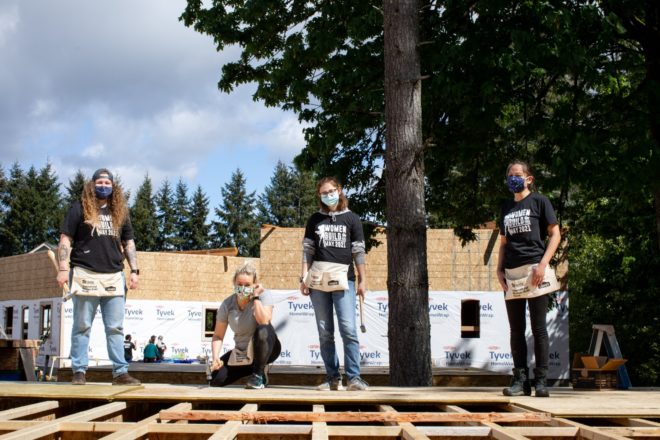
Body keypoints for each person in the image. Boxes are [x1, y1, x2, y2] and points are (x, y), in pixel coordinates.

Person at [56, 168, 140, 386]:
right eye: (99, 181)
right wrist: (63, 268)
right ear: (92, 185)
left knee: (115, 327)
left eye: (107, 182)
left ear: (113, 186)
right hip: (85, 272)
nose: (104, 185)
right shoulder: (79, 207)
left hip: (113, 275)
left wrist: (135, 271)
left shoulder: (119, 211)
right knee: (82, 325)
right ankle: (79, 371)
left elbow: (128, 242)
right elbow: (66, 239)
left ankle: (120, 372)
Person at [497, 160, 561, 398]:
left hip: (535, 269)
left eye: (517, 175)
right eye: (509, 175)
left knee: (539, 327)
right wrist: (499, 270)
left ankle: (541, 381)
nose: (513, 179)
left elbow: (555, 234)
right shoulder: (505, 207)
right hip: (512, 273)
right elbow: (503, 243)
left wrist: (543, 264)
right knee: (516, 329)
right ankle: (520, 380)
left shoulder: (540, 201)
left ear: (529, 179)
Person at [300, 177, 369, 391]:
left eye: (331, 191)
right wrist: (303, 277)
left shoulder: (352, 219)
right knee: (325, 331)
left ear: (339, 191)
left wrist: (362, 279)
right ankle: (332, 378)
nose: (328, 195)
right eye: (323, 193)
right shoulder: (314, 220)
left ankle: (354, 378)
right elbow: (308, 250)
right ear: (319, 196)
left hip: (344, 279)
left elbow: (358, 250)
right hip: (318, 280)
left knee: (348, 328)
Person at [210, 262, 281, 389]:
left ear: (254, 285)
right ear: (234, 284)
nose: (243, 288)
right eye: (239, 284)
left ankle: (258, 375)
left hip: (267, 349)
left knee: (263, 329)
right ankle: (256, 370)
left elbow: (264, 321)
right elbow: (218, 336)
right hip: (242, 353)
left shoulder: (264, 295)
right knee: (215, 379)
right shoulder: (227, 304)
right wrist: (215, 357)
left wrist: (256, 297)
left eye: (247, 285)